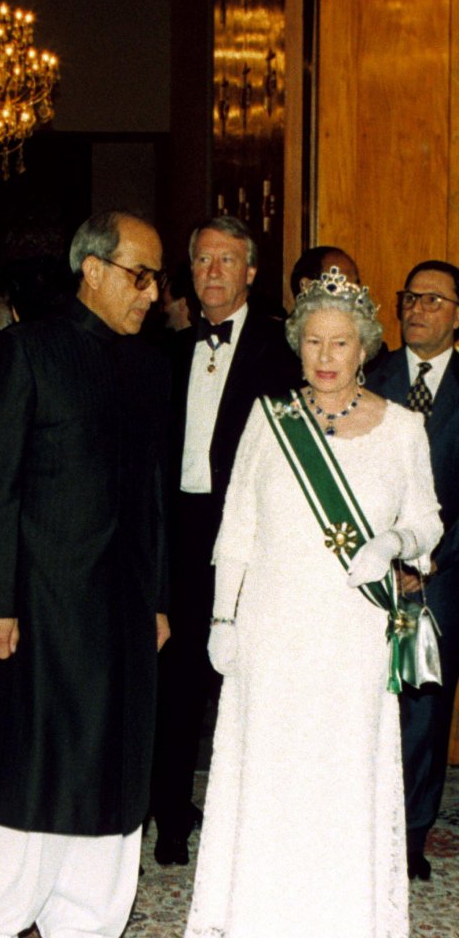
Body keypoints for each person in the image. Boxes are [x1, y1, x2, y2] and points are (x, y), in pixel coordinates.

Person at [185, 268, 442, 938]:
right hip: (272, 622)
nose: (326, 357)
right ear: (298, 347)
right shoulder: (271, 422)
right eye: (314, 343)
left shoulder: (404, 429)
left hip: (351, 634)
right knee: (273, 767)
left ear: (365, 349)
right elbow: (236, 529)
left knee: (338, 769)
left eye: (342, 343)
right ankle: (261, 921)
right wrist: (223, 617)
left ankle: (337, 929)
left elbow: (427, 520)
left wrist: (394, 544)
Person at [0, 210, 170, 938]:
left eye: (155, 278)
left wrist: (156, 600)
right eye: (138, 274)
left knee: (113, 777)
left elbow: (150, 498)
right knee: (34, 775)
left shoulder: (147, 367)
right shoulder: (28, 351)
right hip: (39, 609)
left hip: (121, 613)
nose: (151, 293)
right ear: (92, 269)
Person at [152, 216, 296, 866]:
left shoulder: (281, 350)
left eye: (227, 261)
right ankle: (172, 818)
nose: (212, 273)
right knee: (174, 681)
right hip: (178, 533)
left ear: (251, 273)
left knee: (246, 677)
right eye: (203, 261)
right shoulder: (169, 350)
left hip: (249, 534)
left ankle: (255, 819)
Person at [367, 259, 459, 881]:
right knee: (368, 702)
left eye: (433, 299)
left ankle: (409, 838)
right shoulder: (368, 379)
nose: (416, 308)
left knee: (426, 709)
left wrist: (428, 562)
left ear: (457, 314)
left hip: (446, 577)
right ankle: (362, 827)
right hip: (371, 573)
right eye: (409, 297)